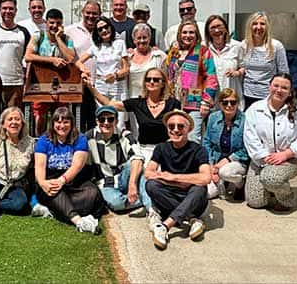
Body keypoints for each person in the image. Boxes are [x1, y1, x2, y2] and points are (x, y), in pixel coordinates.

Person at [244, 73, 297, 211]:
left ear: (290, 91)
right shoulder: (254, 109)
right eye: (276, 86)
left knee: (271, 178)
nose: (279, 90)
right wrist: (264, 156)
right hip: (261, 160)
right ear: (269, 86)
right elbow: (250, 137)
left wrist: (286, 154)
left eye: (284, 88)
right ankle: (271, 187)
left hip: (289, 160)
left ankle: (286, 198)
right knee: (255, 202)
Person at [145, 109, 211, 250]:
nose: (175, 130)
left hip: (192, 198)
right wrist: (178, 182)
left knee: (199, 188)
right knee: (151, 185)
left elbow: (206, 177)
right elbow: (148, 173)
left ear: (189, 129)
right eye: (171, 126)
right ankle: (190, 218)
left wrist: (175, 177)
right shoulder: (161, 148)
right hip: (171, 196)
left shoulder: (198, 150)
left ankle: (165, 226)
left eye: (180, 126)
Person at [34, 107, 106, 234]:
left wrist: (63, 180)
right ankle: (79, 222)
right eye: (58, 122)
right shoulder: (44, 140)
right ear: (53, 123)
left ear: (72, 123)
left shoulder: (80, 138)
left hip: (73, 179)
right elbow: (39, 166)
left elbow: (77, 166)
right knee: (54, 191)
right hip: (51, 177)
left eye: (66, 122)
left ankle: (53, 210)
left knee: (93, 194)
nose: (62, 125)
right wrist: (42, 183)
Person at [85, 67, 180, 162]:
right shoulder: (138, 103)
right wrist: (91, 88)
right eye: (148, 79)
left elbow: (180, 128)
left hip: (166, 149)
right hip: (144, 150)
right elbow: (110, 104)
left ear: (163, 83)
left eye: (156, 80)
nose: (151, 82)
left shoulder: (173, 104)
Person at [86, 106, 152, 217]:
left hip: (124, 177)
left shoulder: (125, 135)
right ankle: (146, 199)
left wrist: (131, 184)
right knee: (116, 203)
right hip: (105, 182)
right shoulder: (88, 137)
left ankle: (152, 210)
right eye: (102, 119)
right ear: (97, 121)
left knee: (136, 165)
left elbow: (138, 158)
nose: (106, 123)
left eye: (110, 119)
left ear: (116, 121)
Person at [25, 8, 76, 136]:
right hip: (41, 83)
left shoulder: (67, 39)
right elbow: (28, 56)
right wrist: (51, 60)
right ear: (46, 23)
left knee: (60, 117)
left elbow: (70, 58)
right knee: (39, 117)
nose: (54, 26)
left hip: (61, 83)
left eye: (58, 23)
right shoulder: (38, 36)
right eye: (52, 22)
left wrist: (58, 39)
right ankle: (39, 141)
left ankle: (57, 143)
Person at [166, 20, 218, 143]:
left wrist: (206, 101)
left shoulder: (203, 51)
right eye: (184, 32)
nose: (187, 35)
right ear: (179, 34)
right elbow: (168, 75)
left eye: (191, 33)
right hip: (175, 102)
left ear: (197, 35)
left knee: (193, 138)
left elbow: (211, 78)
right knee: (175, 137)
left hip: (194, 103)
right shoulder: (174, 52)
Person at [76, 16, 129, 130]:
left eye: (106, 27)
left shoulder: (120, 43)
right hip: (101, 85)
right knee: (103, 118)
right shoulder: (96, 46)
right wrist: (84, 71)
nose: (104, 31)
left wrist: (115, 75)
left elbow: (126, 69)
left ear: (111, 27)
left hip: (117, 85)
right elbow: (78, 62)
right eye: (100, 29)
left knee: (119, 121)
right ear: (97, 32)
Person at [203, 88, 249, 199]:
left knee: (226, 172)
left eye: (233, 102)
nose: (229, 105)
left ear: (238, 103)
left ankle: (240, 184)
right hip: (216, 160)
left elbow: (247, 148)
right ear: (220, 103)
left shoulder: (245, 120)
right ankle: (222, 183)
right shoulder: (213, 117)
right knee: (207, 194)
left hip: (237, 161)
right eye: (225, 102)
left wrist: (228, 160)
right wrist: (211, 166)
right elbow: (207, 142)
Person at [241, 11, 289, 109]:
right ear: (250, 26)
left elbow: (284, 72)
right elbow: (241, 69)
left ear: (267, 27)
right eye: (255, 23)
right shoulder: (243, 45)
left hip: (268, 96)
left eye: (262, 24)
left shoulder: (276, 46)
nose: (258, 27)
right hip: (247, 96)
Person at [66, 0, 101, 132]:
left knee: (97, 120)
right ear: (82, 13)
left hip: (100, 83)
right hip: (79, 82)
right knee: (78, 121)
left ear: (99, 14)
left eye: (94, 14)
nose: (91, 16)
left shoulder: (104, 31)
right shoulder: (70, 31)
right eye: (88, 13)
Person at [204, 15, 245, 110]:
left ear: (226, 28)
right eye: (213, 28)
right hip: (212, 102)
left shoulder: (237, 46)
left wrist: (237, 72)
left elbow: (244, 67)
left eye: (219, 26)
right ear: (208, 32)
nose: (217, 30)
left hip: (232, 100)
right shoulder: (204, 48)